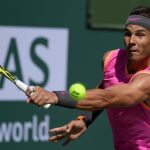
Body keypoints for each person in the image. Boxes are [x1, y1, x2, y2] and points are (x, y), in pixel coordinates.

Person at [26, 5, 150, 150]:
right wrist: (85, 119)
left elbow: (108, 98)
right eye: (128, 34)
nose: (132, 41)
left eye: (140, 35)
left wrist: (55, 96)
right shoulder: (111, 59)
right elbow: (106, 88)